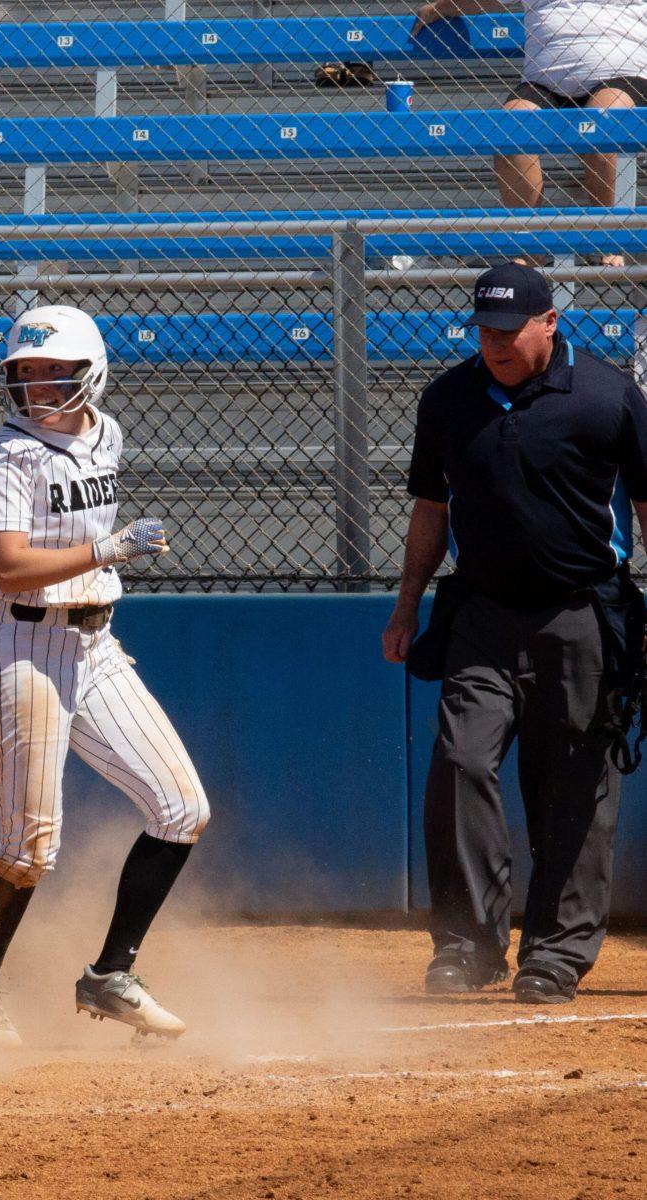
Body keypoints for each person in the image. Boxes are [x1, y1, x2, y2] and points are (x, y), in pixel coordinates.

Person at [383, 263, 647, 1004]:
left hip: (581, 613)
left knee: (573, 786)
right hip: (482, 614)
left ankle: (555, 956)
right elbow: (429, 510)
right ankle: (467, 945)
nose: (493, 343)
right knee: (460, 761)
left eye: (507, 330)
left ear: (549, 322)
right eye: (484, 331)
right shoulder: (448, 398)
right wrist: (405, 606)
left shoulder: (604, 395)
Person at [0, 304, 210, 1047]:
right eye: (24, 372)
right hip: (22, 647)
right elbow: (7, 566)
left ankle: (108, 976)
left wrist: (107, 556)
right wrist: (111, 550)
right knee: (31, 850)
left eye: (51, 370)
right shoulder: (8, 453)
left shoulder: (108, 434)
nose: (36, 384)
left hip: (93, 643)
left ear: (88, 371)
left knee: (180, 808)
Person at [413, 1, 647, 265]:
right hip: (545, 81)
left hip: (621, 76)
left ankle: (604, 240)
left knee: (599, 121)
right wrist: (439, 8)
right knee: (511, 124)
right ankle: (531, 247)